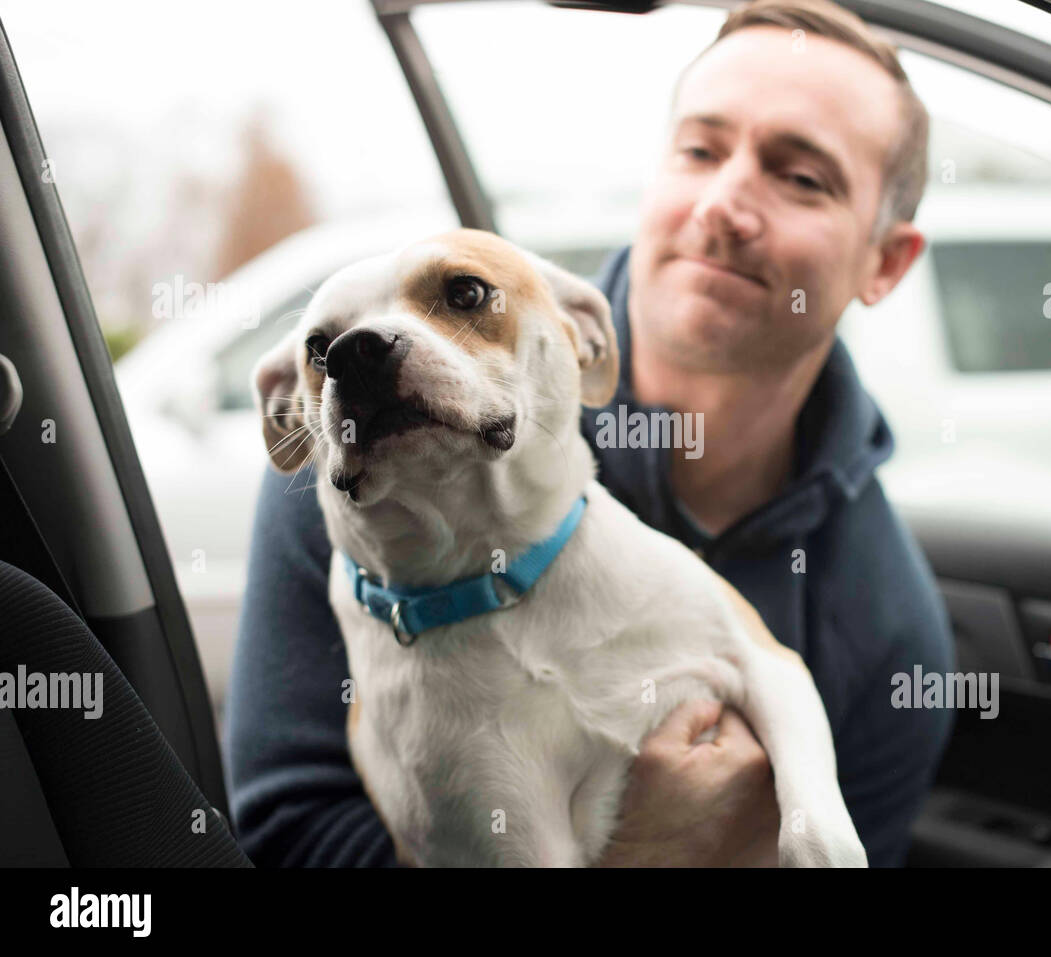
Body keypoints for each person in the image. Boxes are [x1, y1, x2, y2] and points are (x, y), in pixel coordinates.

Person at [225, 0, 954, 867]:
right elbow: (286, 840)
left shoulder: (890, 621)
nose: (724, 205)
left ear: (886, 261)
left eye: (802, 177)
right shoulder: (366, 470)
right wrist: (635, 847)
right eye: (700, 149)